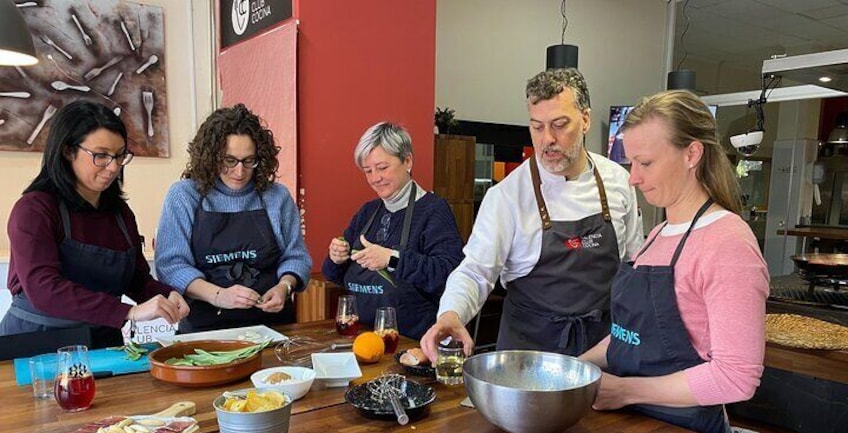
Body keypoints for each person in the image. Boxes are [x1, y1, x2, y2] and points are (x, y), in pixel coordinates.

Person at [579, 90, 769, 433]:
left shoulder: (728, 244)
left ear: (692, 154)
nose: (633, 178)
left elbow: (736, 377)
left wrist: (625, 391)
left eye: (645, 163)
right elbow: (633, 337)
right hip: (632, 430)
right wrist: (577, 368)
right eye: (631, 163)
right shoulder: (659, 234)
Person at [421, 68, 643, 360]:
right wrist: (451, 314)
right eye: (537, 127)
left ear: (586, 119)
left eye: (560, 125)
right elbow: (476, 271)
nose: (547, 139)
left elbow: (633, 264)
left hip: (602, 349)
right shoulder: (506, 196)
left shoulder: (618, 181)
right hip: (527, 355)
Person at [0, 100, 189, 348]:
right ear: (68, 151)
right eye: (101, 156)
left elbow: (136, 279)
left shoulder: (121, 214)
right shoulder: (35, 209)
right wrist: (127, 313)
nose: (113, 167)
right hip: (35, 342)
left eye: (120, 156)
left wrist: (166, 294)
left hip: (101, 342)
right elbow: (44, 289)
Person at [155, 104, 311, 333]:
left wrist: (285, 287)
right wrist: (218, 296)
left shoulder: (276, 197)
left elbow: (296, 256)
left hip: (273, 328)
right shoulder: (184, 196)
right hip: (205, 330)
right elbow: (171, 266)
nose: (240, 172)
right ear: (211, 156)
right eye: (229, 160)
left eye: (249, 161)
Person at [322, 122, 464, 340]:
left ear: (407, 161)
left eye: (382, 168)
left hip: (413, 342)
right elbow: (333, 275)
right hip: (364, 336)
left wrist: (393, 259)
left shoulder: (434, 210)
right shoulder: (367, 212)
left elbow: (449, 273)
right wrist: (336, 257)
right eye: (368, 171)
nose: (374, 178)